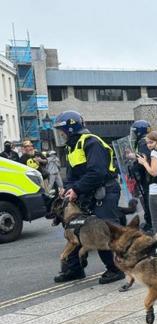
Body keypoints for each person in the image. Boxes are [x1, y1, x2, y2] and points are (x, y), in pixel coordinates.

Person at [52, 111, 126, 285]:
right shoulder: (72, 146)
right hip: (87, 192)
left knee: (102, 231)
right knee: (75, 229)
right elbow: (71, 174)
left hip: (104, 191)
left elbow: (97, 172)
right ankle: (74, 270)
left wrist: (76, 189)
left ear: (71, 129)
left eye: (62, 131)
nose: (60, 135)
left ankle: (116, 269)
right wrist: (68, 188)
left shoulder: (92, 143)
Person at [129, 120, 153, 232]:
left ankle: (150, 224)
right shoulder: (149, 141)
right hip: (150, 177)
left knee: (147, 200)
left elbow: (145, 158)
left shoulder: (143, 142)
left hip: (147, 177)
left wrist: (134, 159)